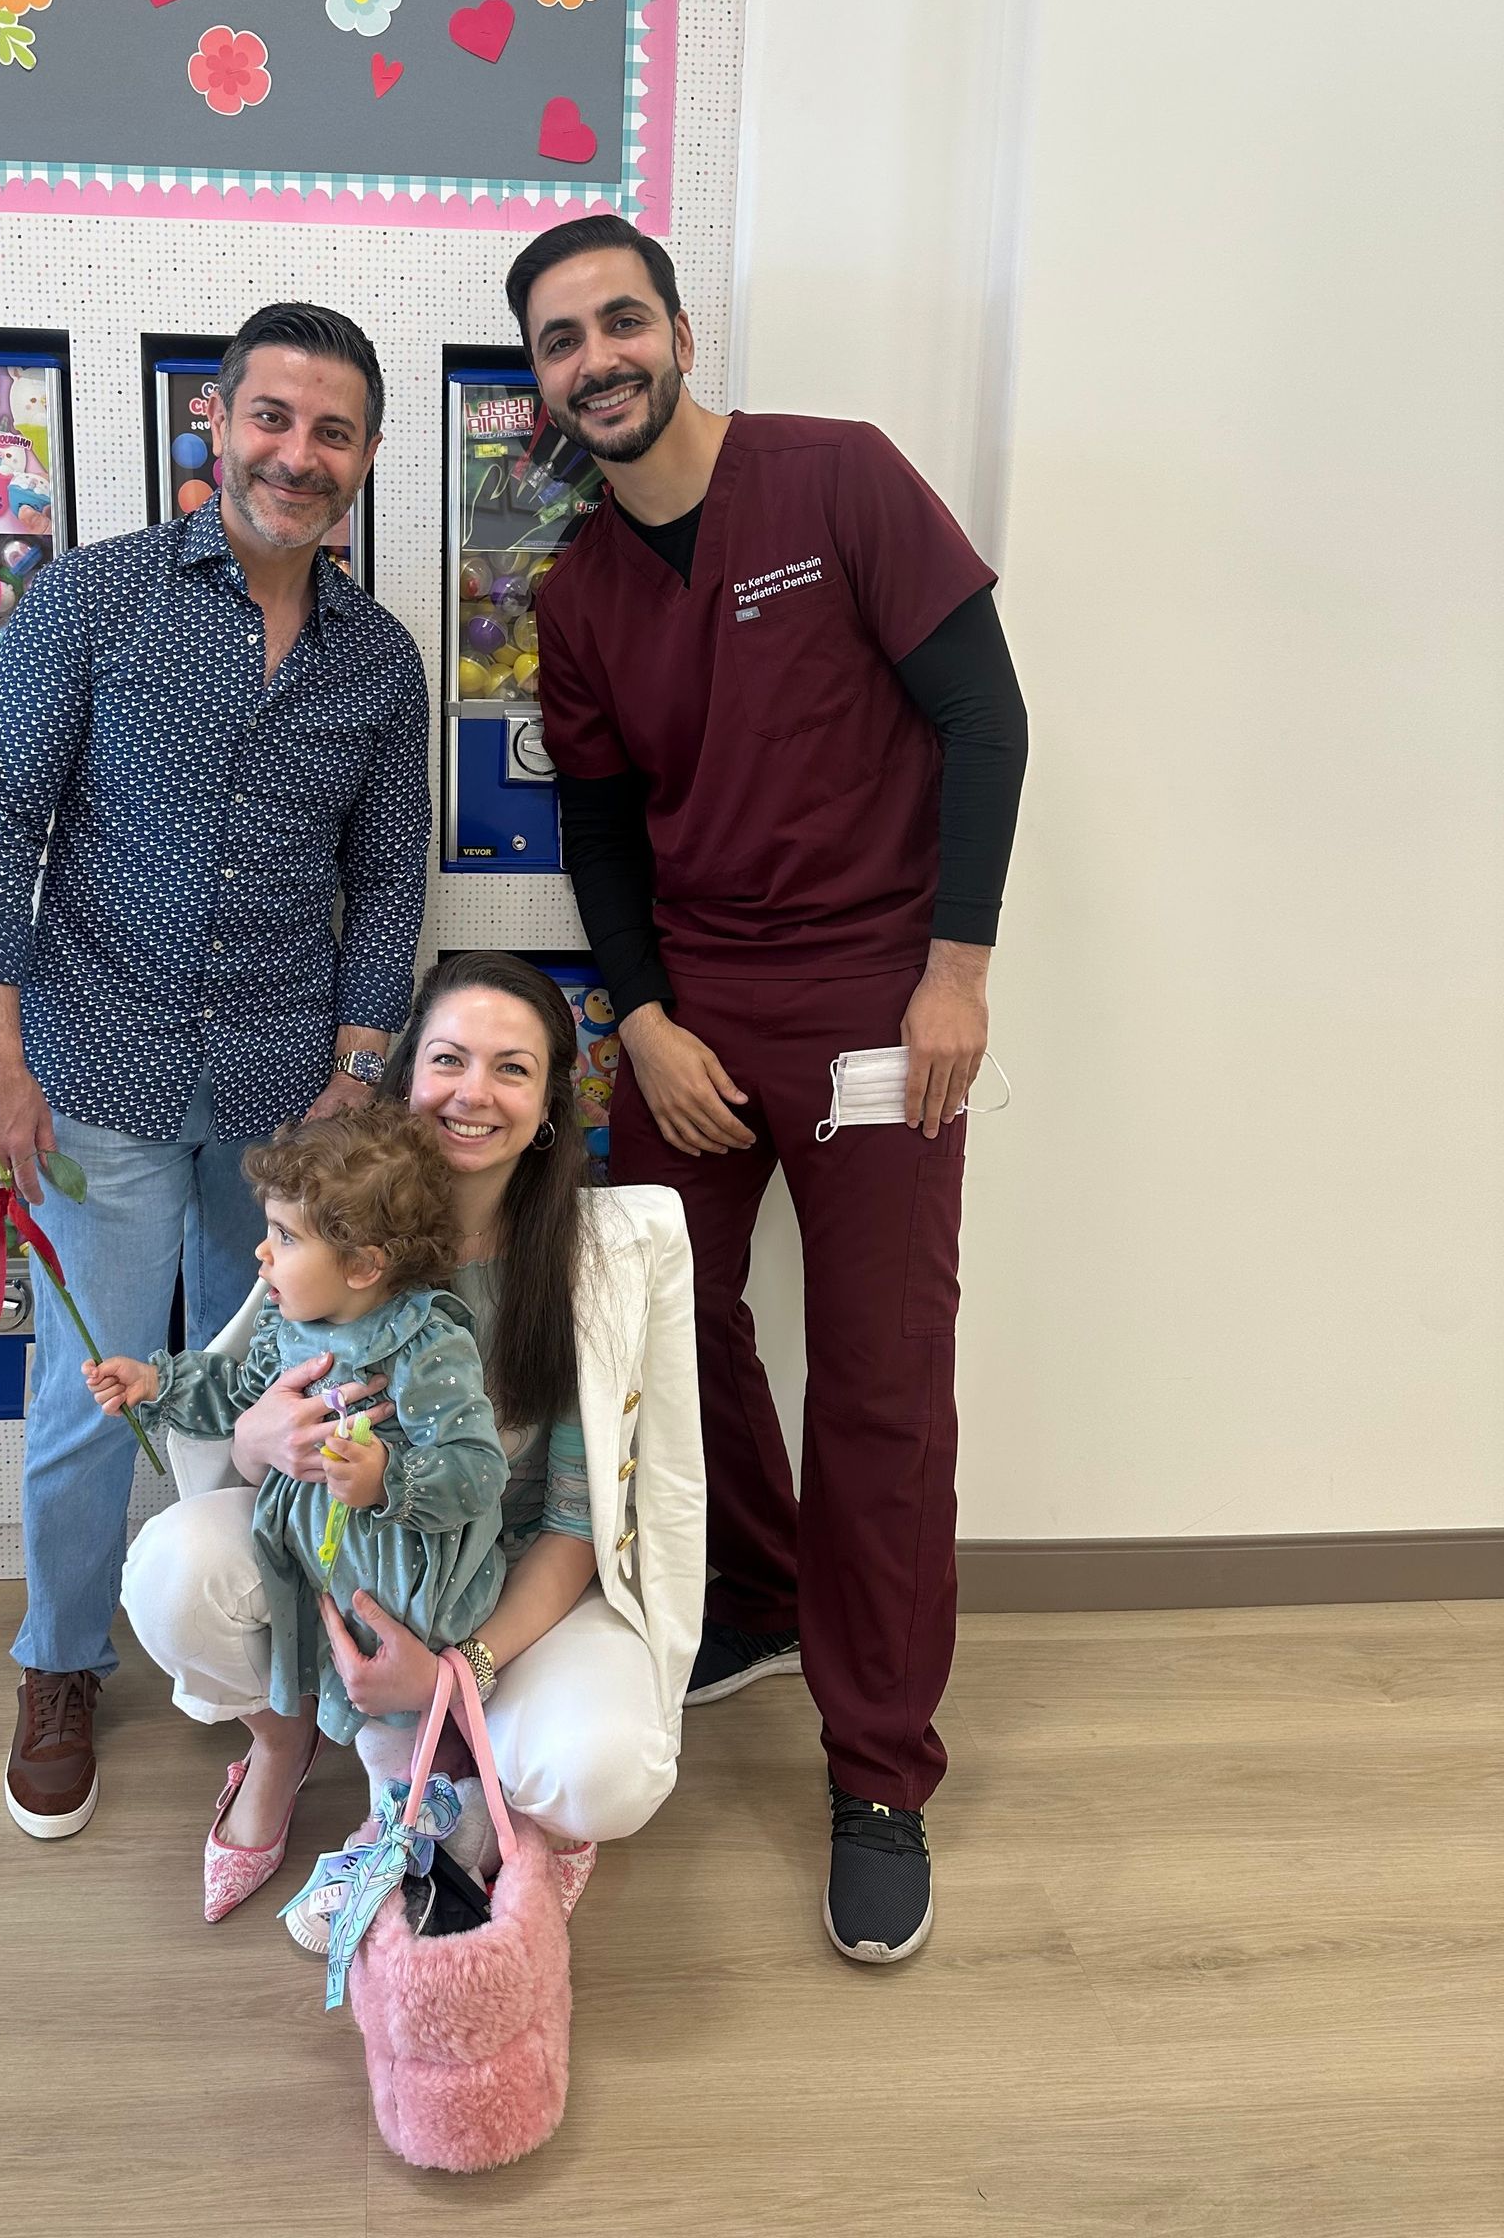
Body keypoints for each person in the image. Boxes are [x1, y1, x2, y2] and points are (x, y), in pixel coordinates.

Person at [504, 214, 1030, 1966]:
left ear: (677, 332)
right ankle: (773, 1590)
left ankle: (880, 1775)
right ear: (544, 384)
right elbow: (595, 826)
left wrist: (956, 973)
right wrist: (639, 1017)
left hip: (882, 1009)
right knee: (656, 1328)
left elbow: (987, 717)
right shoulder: (575, 597)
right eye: (563, 342)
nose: (599, 359)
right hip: (695, 1020)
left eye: (620, 321)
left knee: (884, 1385)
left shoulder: (842, 482)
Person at [0, 302, 430, 1843]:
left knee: (275, 1391)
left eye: (333, 430)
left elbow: (389, 876)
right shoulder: (93, 601)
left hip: (291, 1098)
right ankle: (62, 1662)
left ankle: (258, 1669)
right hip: (95, 1072)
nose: (300, 454)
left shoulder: (379, 658)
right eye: (272, 418)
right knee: (90, 1398)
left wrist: (360, 1069)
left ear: (363, 459)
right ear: (213, 424)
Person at [119, 951, 705, 1917]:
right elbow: (249, 1404)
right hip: (350, 1556)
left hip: (512, 1583)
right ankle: (284, 1742)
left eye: (511, 1068)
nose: (473, 1093)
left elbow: (572, 1521)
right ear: (406, 1078)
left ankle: (479, 1763)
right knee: (174, 1572)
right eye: (447, 1060)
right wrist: (266, 1436)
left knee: (604, 1771)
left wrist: (455, 1668)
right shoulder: (330, 1232)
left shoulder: (589, 1268)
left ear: (553, 1099)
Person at [83, 1105, 510, 1919]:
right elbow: (239, 1394)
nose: (261, 1252)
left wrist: (389, 1477)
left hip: (392, 1580)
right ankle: (305, 1754)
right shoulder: (288, 1322)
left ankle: (411, 1835)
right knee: (296, 1664)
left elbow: (477, 1471)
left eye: (283, 1237)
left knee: (387, 1717)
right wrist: (158, 1383)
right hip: (308, 1553)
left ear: (362, 1265)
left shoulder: (426, 1346)